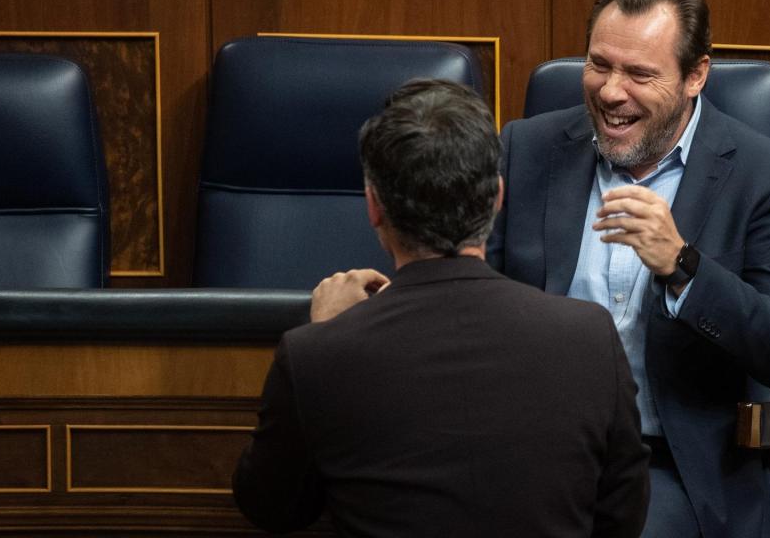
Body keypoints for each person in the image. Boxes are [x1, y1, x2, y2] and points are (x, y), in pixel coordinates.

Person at [233, 78, 650, 537]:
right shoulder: (590, 336)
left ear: (373, 206)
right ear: (497, 197)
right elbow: (622, 516)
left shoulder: (315, 354)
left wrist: (329, 335)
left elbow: (271, 509)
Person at [486, 0, 770, 538]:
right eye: (599, 65)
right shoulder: (527, 149)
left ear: (696, 76)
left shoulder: (766, 176)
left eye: (640, 74)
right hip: (528, 451)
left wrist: (684, 267)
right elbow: (475, 290)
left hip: (667, 463)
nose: (612, 91)